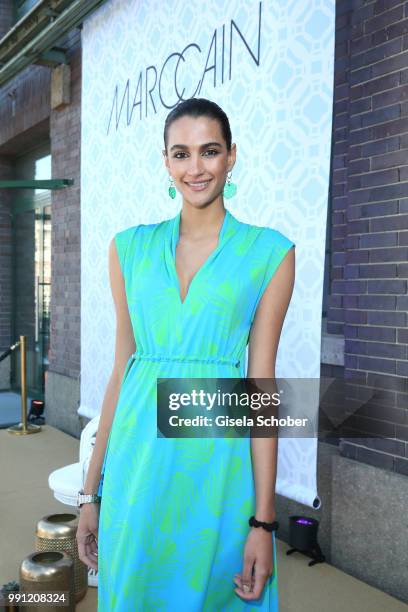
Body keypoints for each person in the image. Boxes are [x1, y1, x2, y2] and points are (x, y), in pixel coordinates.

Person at [76, 97, 296, 610]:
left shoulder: (270, 253)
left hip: (215, 468)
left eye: (210, 151)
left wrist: (264, 522)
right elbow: (121, 371)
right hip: (136, 464)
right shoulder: (128, 248)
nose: (195, 168)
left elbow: (260, 388)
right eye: (181, 153)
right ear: (166, 161)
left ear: (232, 156)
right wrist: (91, 493)